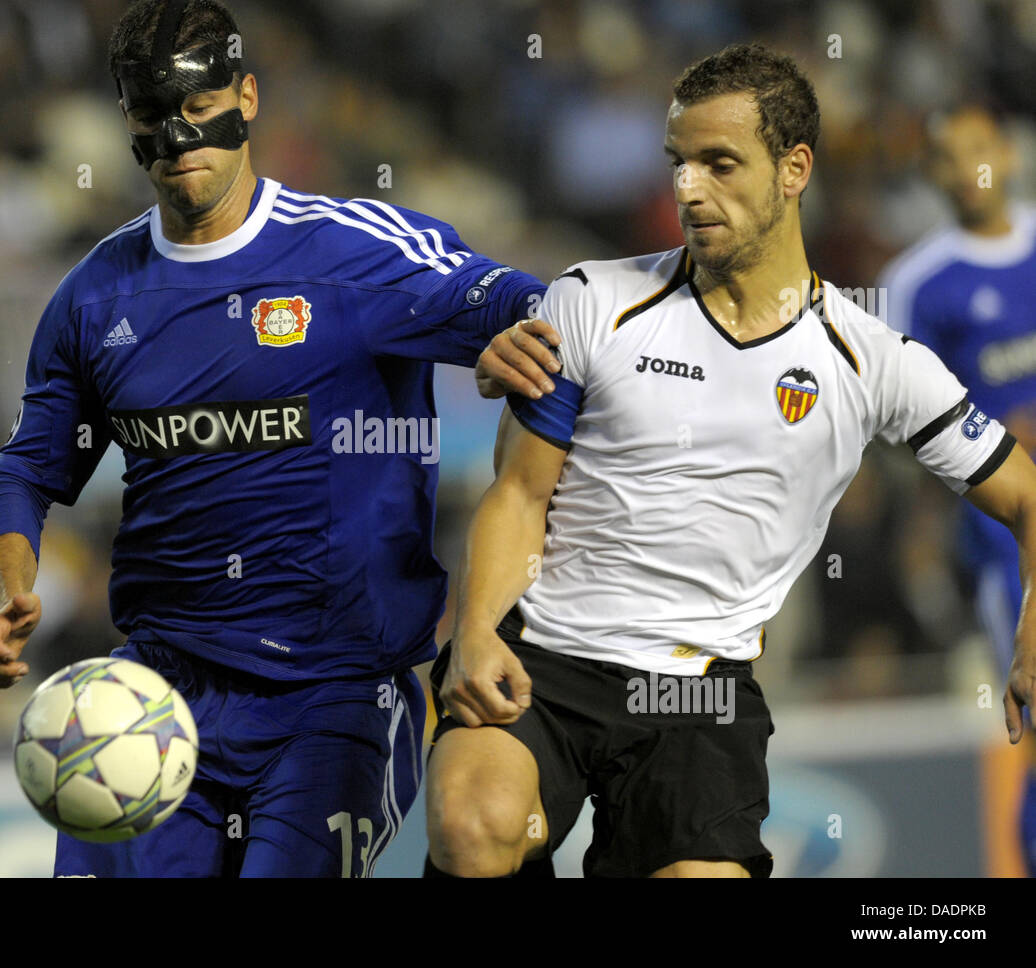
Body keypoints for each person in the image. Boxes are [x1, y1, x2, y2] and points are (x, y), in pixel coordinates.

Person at [0, 0, 556, 877]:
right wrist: (8, 590)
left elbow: (546, 312)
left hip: (338, 692)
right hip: (154, 696)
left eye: (203, 110)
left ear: (247, 94)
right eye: (154, 120)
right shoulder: (93, 302)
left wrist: (509, 343)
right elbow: (22, 473)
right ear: (128, 123)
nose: (181, 138)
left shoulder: (356, 254)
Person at [427, 43, 1036, 878]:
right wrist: (474, 634)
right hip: (547, 659)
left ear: (795, 169)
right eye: (678, 163)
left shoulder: (875, 362)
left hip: (697, 693)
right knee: (473, 824)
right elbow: (518, 496)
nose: (688, 189)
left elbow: (1026, 498)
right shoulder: (593, 301)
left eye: (719, 164)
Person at [878, 103, 1036, 874]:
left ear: (1004, 153)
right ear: (931, 174)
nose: (967, 168)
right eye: (947, 156)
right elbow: (899, 425)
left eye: (978, 148)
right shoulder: (915, 282)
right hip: (1007, 542)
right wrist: (1000, 442)